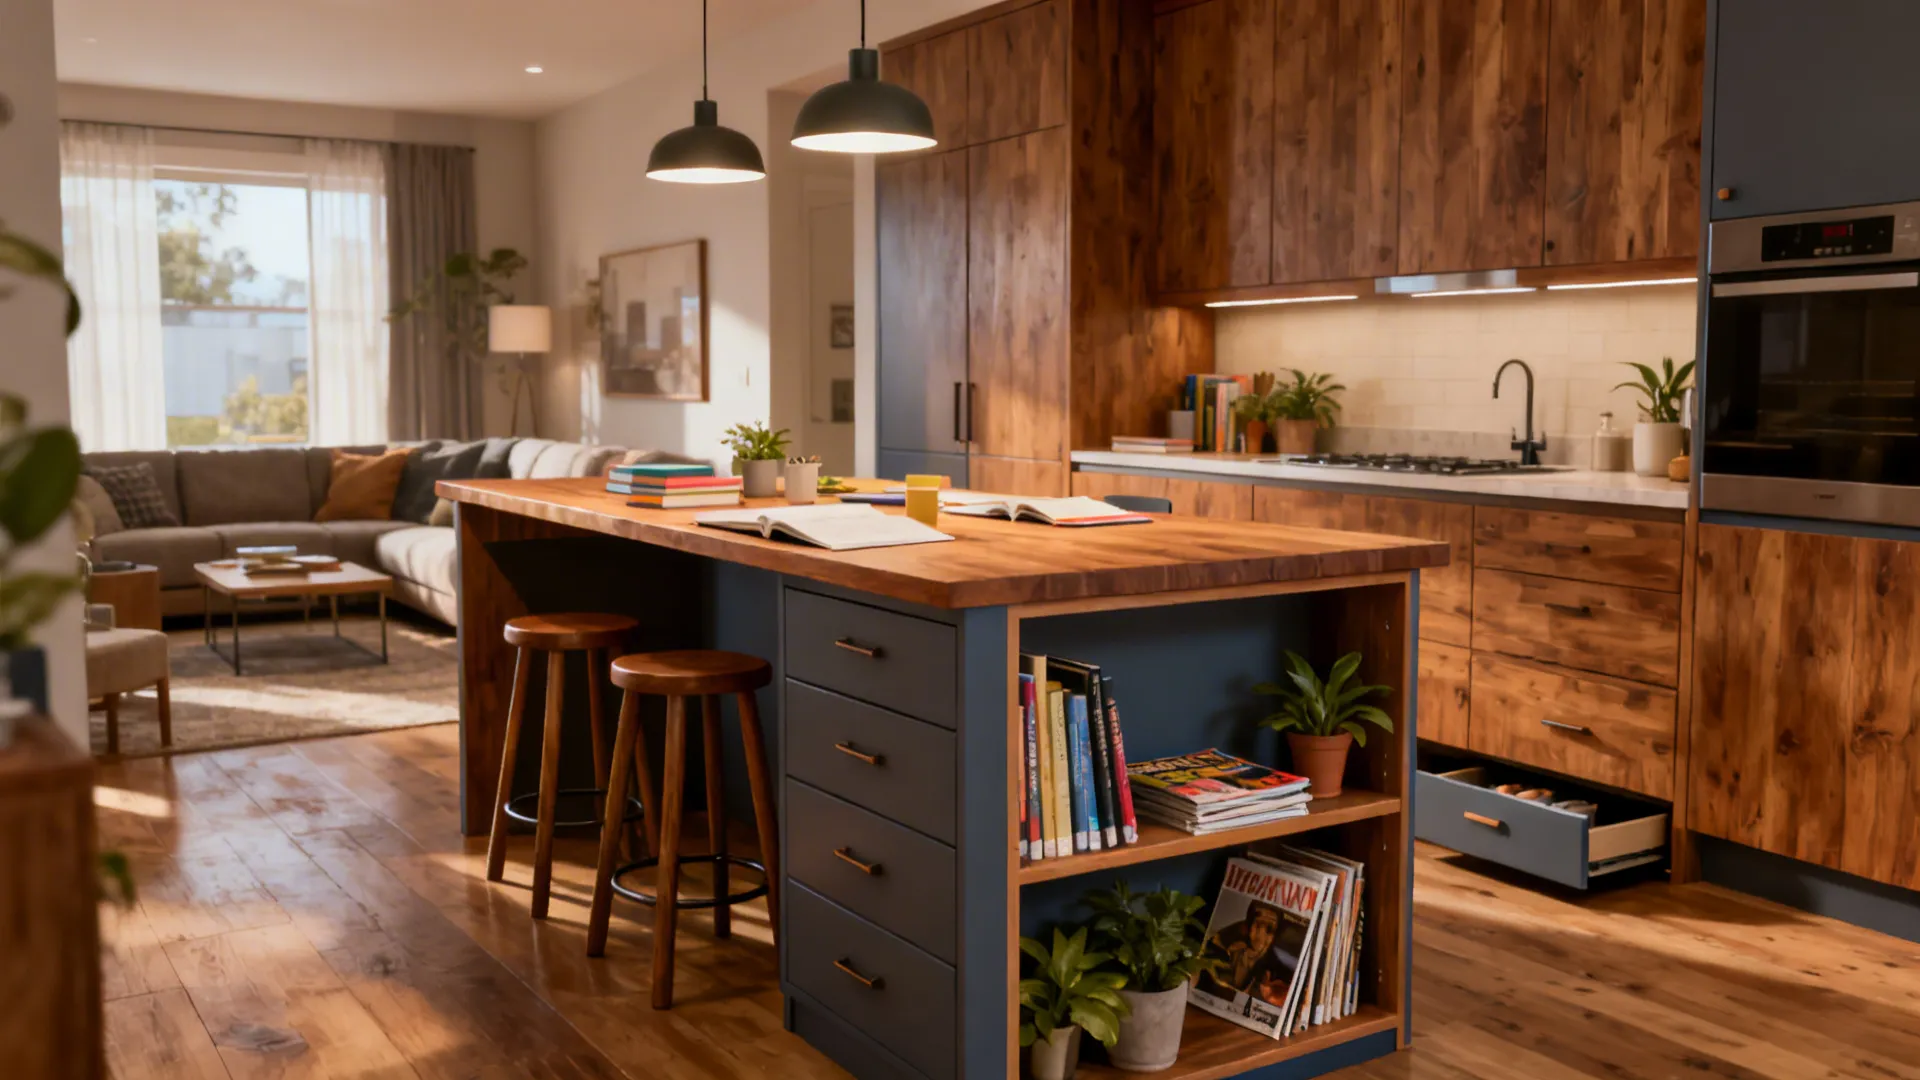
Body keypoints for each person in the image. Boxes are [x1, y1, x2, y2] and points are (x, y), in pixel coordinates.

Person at [1196, 900, 1300, 1008]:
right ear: (1247, 926)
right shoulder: (1221, 946)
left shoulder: (1277, 966)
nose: (1261, 935)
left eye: (1270, 929)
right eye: (1258, 924)